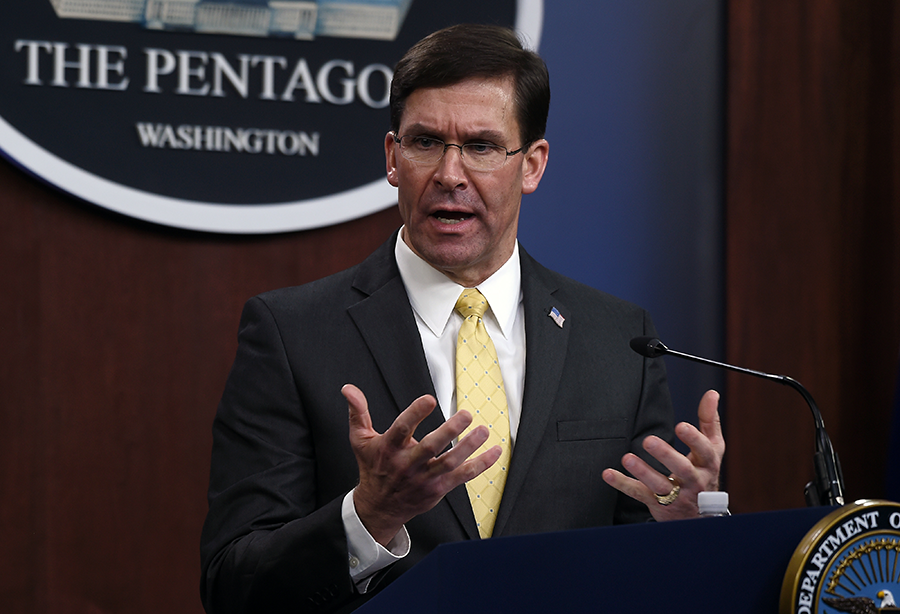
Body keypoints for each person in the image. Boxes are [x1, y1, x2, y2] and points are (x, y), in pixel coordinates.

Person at [200, 23, 725, 614]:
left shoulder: (618, 341)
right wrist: (369, 517)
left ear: (532, 165)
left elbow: (646, 573)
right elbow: (232, 586)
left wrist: (687, 531)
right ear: (393, 158)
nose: (450, 174)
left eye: (480, 146)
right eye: (425, 142)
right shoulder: (292, 333)